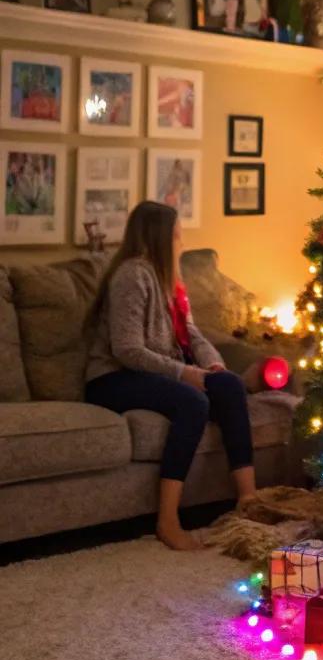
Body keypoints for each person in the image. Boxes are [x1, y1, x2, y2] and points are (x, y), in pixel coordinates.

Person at [85, 201, 255, 550]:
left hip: (154, 371)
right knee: (192, 402)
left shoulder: (171, 280)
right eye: (177, 236)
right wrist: (182, 373)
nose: (182, 243)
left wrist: (212, 365)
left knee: (229, 385)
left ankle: (249, 502)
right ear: (159, 238)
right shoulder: (132, 275)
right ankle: (167, 520)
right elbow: (127, 350)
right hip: (112, 379)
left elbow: (191, 333)